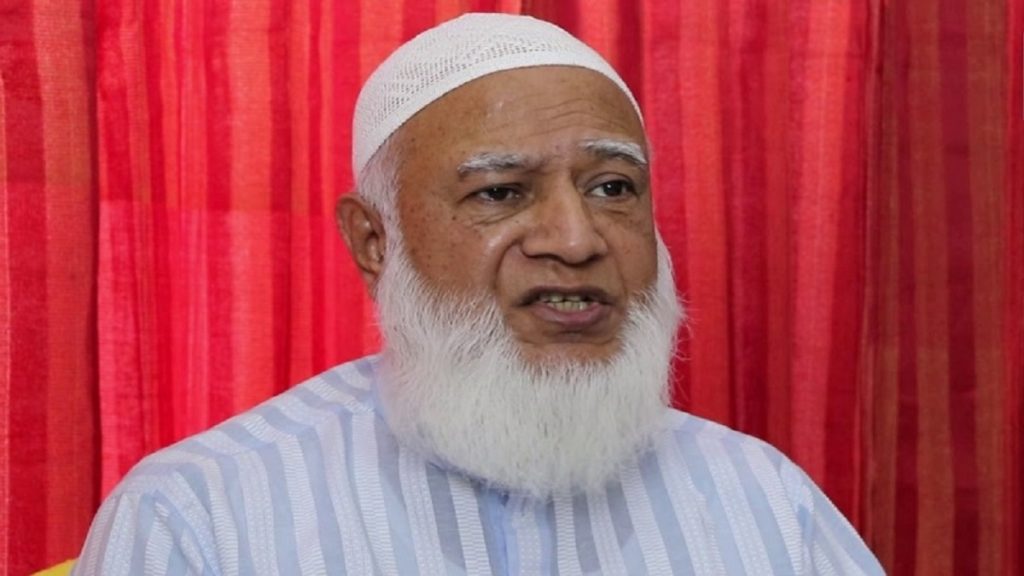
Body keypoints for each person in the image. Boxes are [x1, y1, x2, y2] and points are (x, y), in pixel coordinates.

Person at [73, 13, 883, 575]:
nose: (576, 240)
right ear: (374, 240)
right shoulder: (206, 515)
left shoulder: (762, 502)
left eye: (612, 187)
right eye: (500, 193)